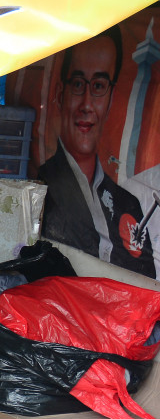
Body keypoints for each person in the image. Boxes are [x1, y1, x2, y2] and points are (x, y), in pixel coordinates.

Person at [36, 27, 155, 277]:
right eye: (78, 84)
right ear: (60, 94)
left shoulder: (129, 204)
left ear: (111, 98)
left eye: (99, 86)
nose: (87, 104)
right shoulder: (40, 186)